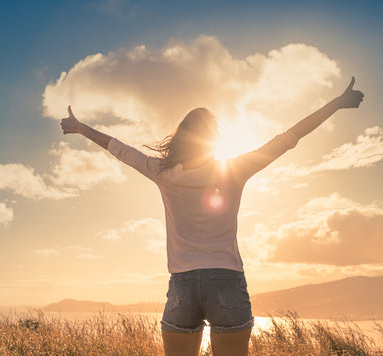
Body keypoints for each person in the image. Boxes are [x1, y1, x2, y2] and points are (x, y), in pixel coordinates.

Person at [60, 77, 364, 356]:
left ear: (182, 137)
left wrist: (81, 127)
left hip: (183, 285)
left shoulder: (163, 173)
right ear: (213, 139)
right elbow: (289, 137)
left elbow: (120, 149)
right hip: (227, 280)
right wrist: (336, 104)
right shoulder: (234, 170)